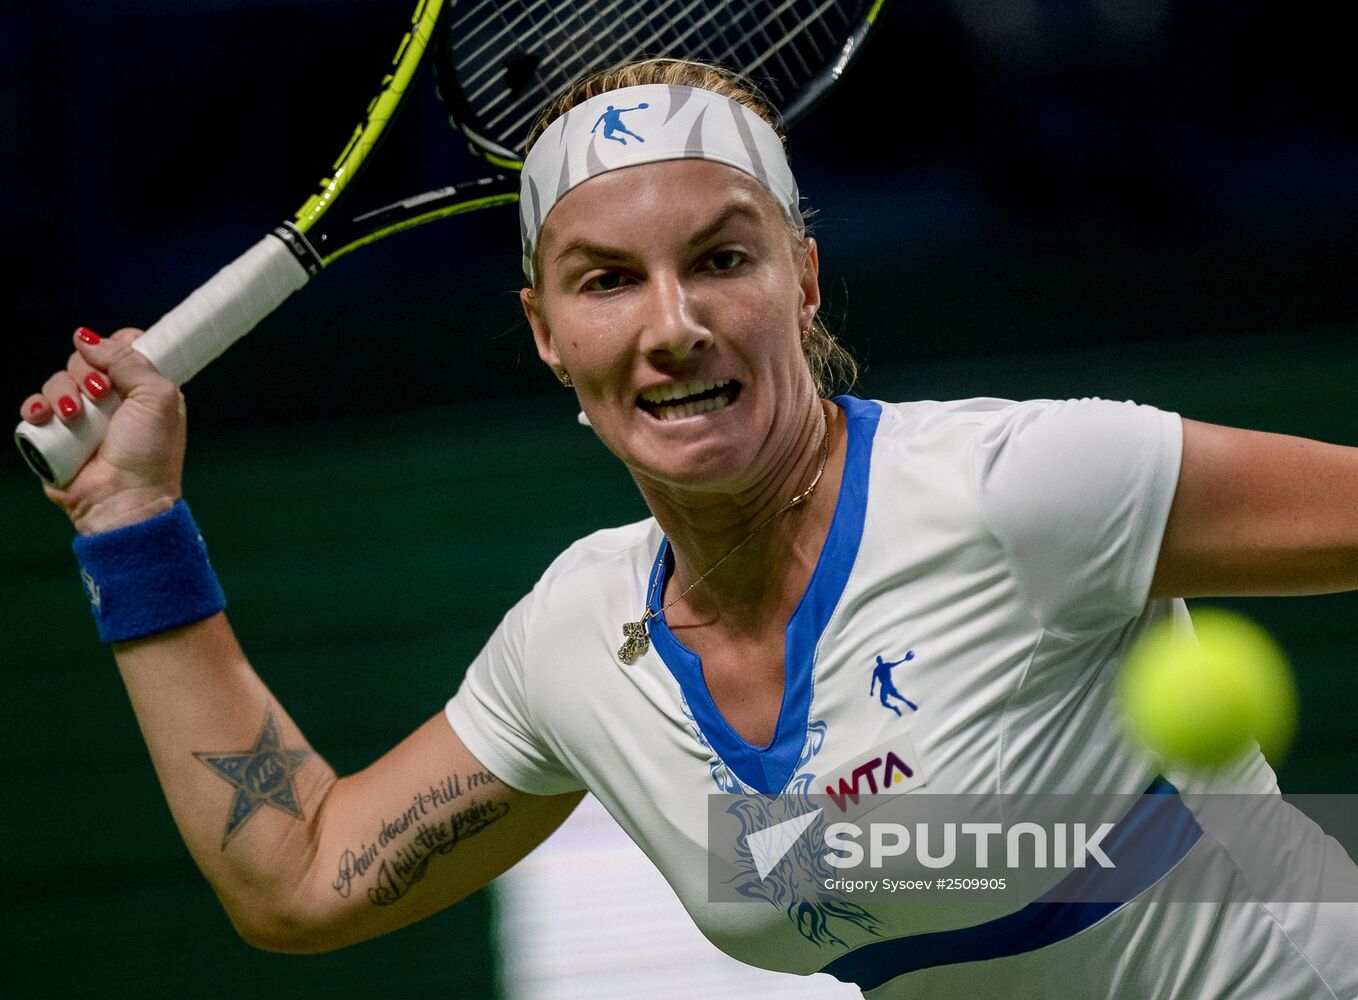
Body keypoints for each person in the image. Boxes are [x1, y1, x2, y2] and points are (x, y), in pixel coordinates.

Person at [18, 58, 1358, 997]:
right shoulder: (573, 643)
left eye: (721, 258)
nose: (673, 325)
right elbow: (298, 877)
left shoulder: (1029, 486)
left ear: (802, 278)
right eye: (608, 280)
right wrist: (133, 522)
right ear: (546, 334)